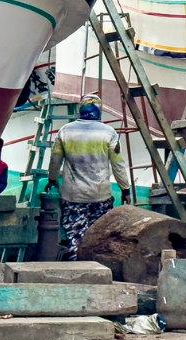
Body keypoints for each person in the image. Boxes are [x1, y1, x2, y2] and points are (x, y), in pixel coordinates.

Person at [47, 93, 131, 260]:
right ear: (99, 111)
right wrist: (125, 189)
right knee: (99, 238)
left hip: (73, 196)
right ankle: (97, 270)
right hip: (100, 196)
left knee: (74, 238)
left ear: (80, 110)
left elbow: (55, 160)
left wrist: (52, 179)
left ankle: (76, 272)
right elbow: (118, 165)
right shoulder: (109, 133)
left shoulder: (65, 131)